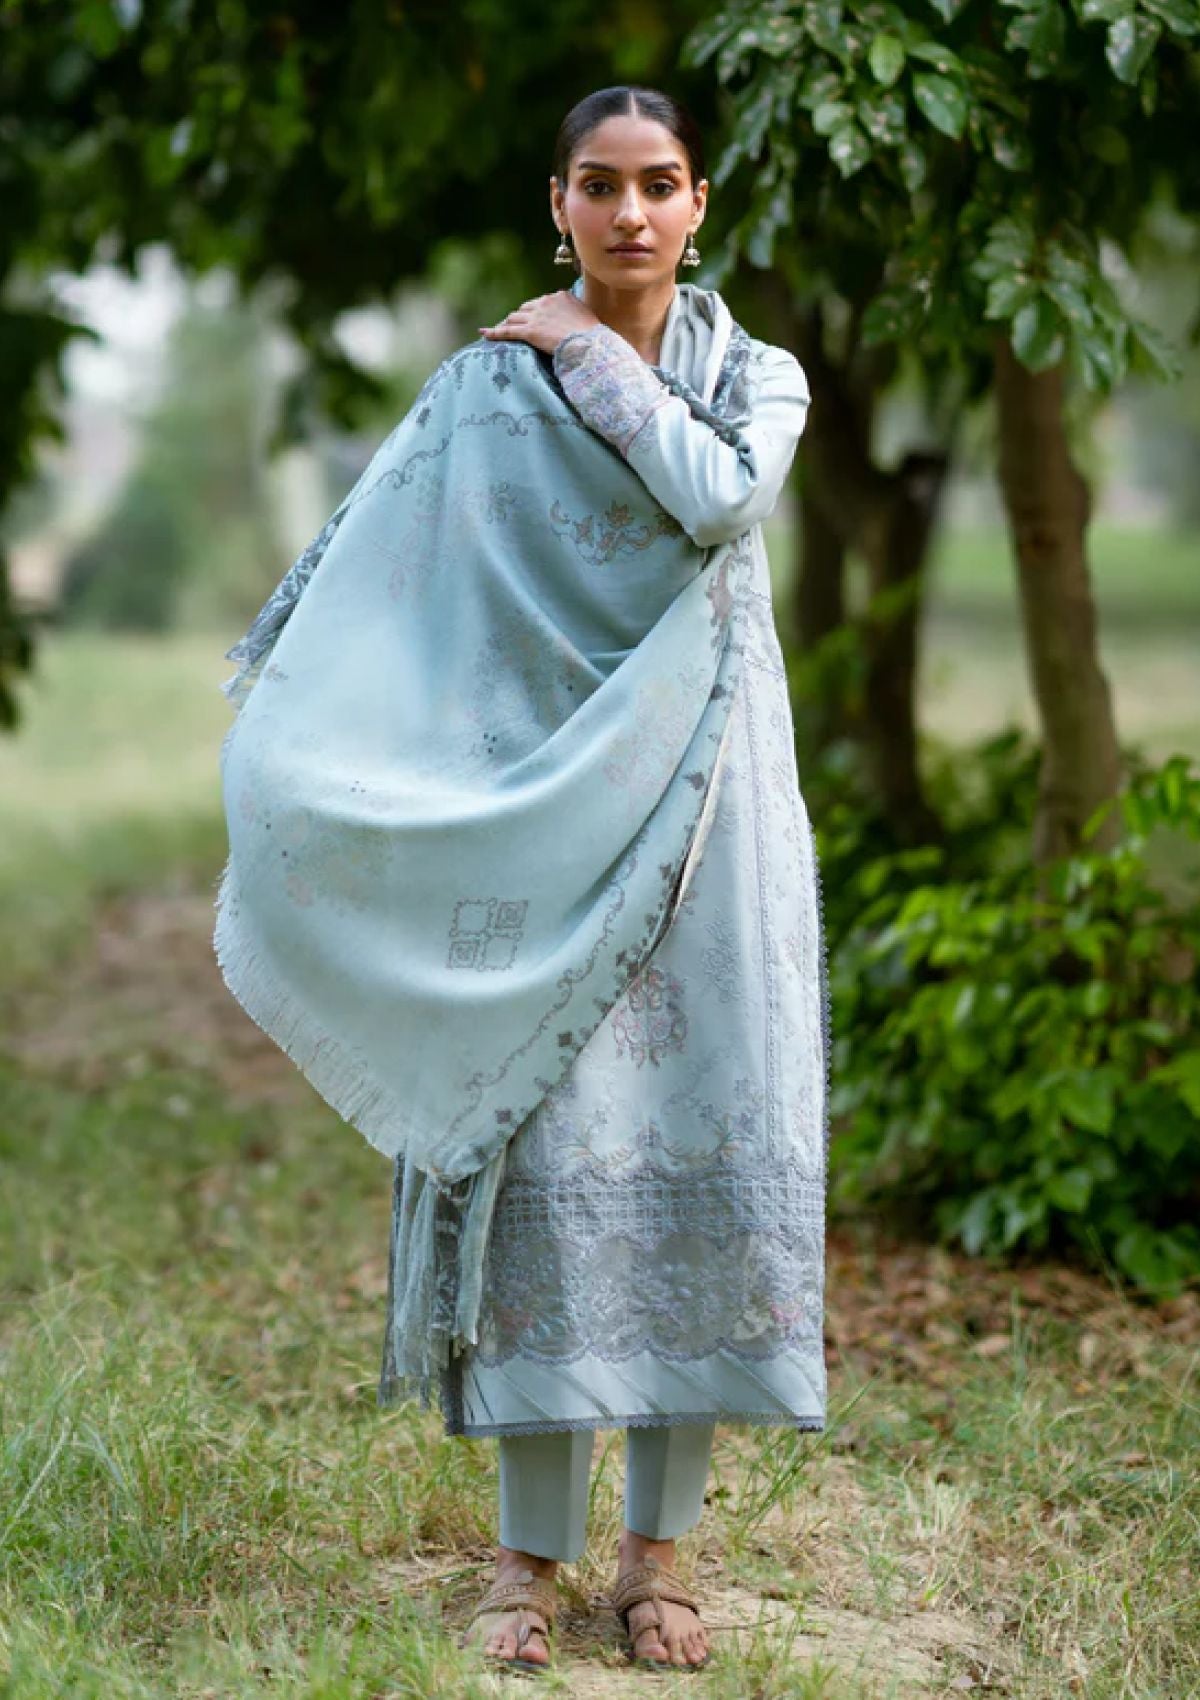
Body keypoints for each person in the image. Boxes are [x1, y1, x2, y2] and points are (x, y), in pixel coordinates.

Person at [214, 82, 829, 1681]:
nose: (631, 213)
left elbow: (720, 496)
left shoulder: (757, 378)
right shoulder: (487, 388)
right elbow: (390, 573)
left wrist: (590, 354)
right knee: (542, 1161)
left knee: (703, 1147)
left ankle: (660, 1557)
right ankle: (525, 1559)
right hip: (526, 820)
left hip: (709, 818)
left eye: (660, 183)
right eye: (599, 185)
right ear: (557, 203)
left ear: (700, 205)